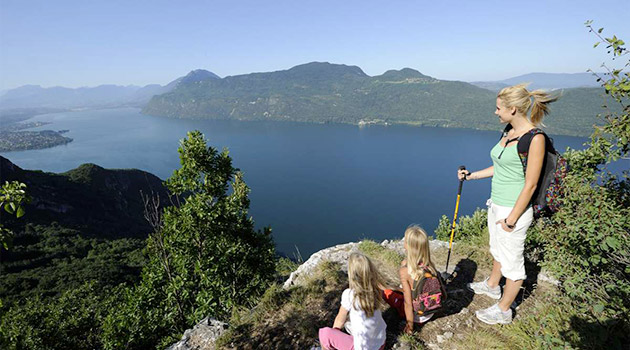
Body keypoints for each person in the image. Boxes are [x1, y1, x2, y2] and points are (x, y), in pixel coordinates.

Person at [459, 84, 557, 324]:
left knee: (513, 262)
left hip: (515, 210)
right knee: (497, 248)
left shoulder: (535, 139)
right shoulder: (508, 131)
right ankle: (493, 285)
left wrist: (512, 218)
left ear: (513, 109)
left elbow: (531, 185)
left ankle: (503, 310)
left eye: (498, 108)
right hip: (497, 204)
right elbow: (501, 167)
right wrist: (472, 176)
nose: (496, 112)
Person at [319, 253, 387, 350]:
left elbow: (340, 320)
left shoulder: (349, 295)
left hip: (362, 348)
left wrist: (335, 335)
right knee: (350, 323)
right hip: (380, 343)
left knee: (325, 333)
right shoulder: (376, 289)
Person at [398, 225, 443, 334]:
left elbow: (407, 303)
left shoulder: (405, 271)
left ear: (407, 246)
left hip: (417, 316)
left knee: (387, 292)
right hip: (432, 309)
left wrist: (410, 326)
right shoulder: (430, 266)